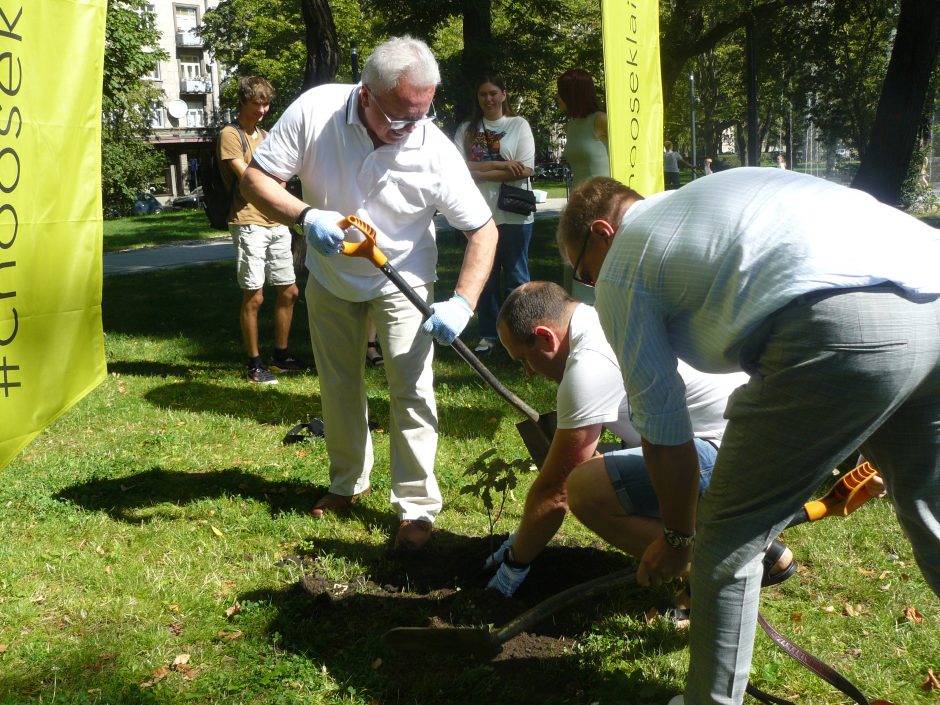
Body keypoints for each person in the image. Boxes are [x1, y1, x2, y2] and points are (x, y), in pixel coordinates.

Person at [556, 170, 940, 705]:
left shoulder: (626, 262)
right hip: (933, 295)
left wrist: (678, 538)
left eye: (586, 274)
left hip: (836, 326)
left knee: (727, 539)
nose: (594, 286)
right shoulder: (709, 201)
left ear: (602, 234)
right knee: (932, 513)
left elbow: (666, 432)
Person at [240, 36, 498, 551]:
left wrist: (463, 303)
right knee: (338, 384)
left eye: (423, 114)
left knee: (412, 390)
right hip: (331, 274)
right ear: (366, 94)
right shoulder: (317, 111)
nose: (411, 128)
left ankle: (416, 507)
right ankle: (347, 483)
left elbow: (483, 231)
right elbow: (255, 180)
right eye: (400, 117)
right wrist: (307, 216)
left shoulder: (433, 150)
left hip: (404, 279)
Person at [484, 281, 797, 602]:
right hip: (762, 439)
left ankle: (721, 566)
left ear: (545, 337)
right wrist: (523, 536)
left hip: (736, 455)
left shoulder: (588, 363)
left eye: (524, 359)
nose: (527, 372)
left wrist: (516, 561)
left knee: (584, 489)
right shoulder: (606, 317)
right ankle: (755, 547)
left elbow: (556, 491)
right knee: (601, 466)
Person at [219, 76, 307, 385]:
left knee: (290, 290)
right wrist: (269, 183)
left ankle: (280, 356)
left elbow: (280, 179)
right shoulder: (231, 136)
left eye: (266, 104)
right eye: (257, 103)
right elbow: (250, 181)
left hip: (276, 222)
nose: (262, 109)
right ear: (243, 101)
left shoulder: (267, 135)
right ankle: (254, 363)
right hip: (247, 221)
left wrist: (271, 184)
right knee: (254, 297)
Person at [454, 74, 535, 355]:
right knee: (484, 279)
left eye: (493, 93)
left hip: (514, 215)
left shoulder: (518, 125)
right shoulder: (467, 129)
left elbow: (525, 169)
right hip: (478, 215)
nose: (488, 99)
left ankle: (521, 334)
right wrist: (500, 166)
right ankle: (489, 335)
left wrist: (480, 170)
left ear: (503, 95)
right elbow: (458, 170)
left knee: (516, 277)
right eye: (483, 94)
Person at [556, 68, 610, 305]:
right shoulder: (570, 126)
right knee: (575, 259)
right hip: (578, 204)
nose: (557, 98)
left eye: (561, 93)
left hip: (603, 204)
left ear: (574, 93)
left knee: (597, 260)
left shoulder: (601, 121)